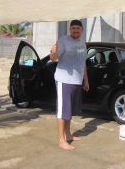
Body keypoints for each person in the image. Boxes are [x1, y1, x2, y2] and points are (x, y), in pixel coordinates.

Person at [50, 19, 89, 150]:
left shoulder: (83, 43)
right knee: (63, 111)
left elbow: (82, 62)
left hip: (77, 81)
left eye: (78, 28)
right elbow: (54, 58)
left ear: (82, 30)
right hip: (64, 80)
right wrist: (53, 51)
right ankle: (61, 140)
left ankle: (68, 135)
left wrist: (86, 80)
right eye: (73, 28)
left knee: (70, 110)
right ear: (70, 30)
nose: (76, 30)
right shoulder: (63, 40)